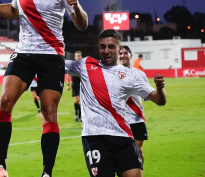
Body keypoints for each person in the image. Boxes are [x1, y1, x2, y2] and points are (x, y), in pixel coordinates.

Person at [0, 0, 88, 176]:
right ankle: (1, 167)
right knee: (5, 103)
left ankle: (47, 172)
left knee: (49, 113)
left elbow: (82, 24)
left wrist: (76, 6)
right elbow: (13, 10)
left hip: (51, 55)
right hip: (24, 53)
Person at [65, 29, 166, 177]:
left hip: (123, 137)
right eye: (102, 46)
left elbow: (159, 100)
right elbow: (53, 63)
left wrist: (159, 88)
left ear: (119, 48)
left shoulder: (131, 75)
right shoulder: (85, 65)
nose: (106, 51)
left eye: (111, 46)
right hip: (94, 138)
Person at [119, 45, 149, 165]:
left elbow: (146, 95)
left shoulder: (139, 74)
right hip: (120, 119)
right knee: (122, 152)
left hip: (137, 118)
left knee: (137, 149)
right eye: (120, 53)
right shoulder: (110, 74)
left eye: (125, 53)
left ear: (130, 56)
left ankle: (138, 171)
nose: (123, 55)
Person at [66, 51, 82, 122]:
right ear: (75, 57)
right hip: (74, 84)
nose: (78, 57)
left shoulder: (83, 65)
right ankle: (76, 115)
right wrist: (68, 85)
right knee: (76, 100)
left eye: (79, 56)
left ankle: (80, 116)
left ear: (81, 56)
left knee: (80, 101)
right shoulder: (72, 65)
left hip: (81, 85)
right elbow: (68, 75)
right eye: (76, 56)